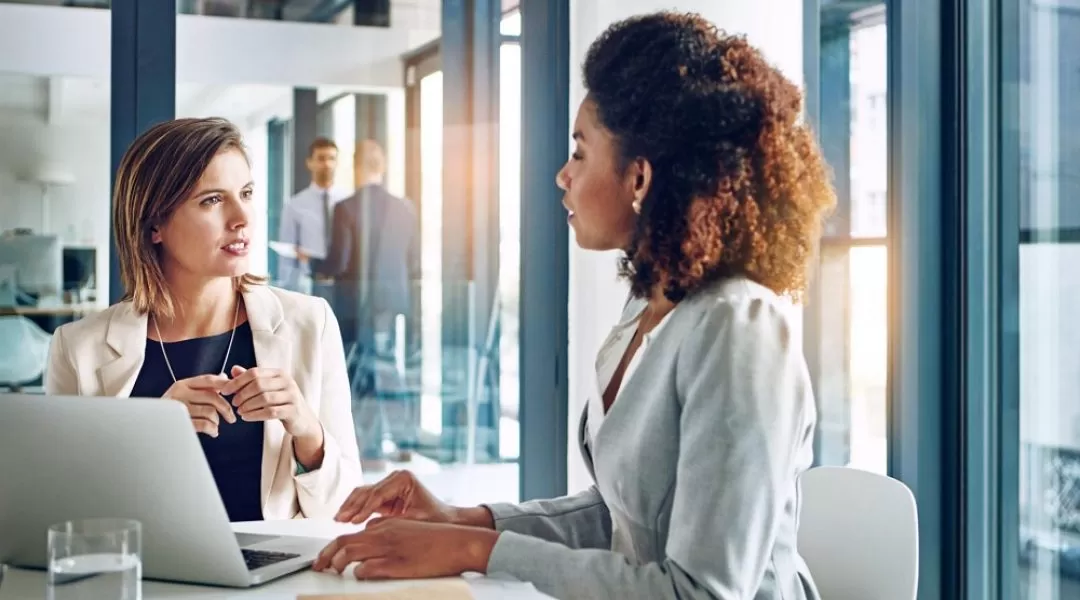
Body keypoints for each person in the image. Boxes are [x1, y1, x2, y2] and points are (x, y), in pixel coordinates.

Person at [312, 11, 836, 600]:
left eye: (580, 152)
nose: (562, 175)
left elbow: (702, 592)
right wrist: (466, 521)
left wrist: (476, 551)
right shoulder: (652, 307)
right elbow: (621, 516)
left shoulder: (741, 329)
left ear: (639, 179)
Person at [44, 117, 363, 522]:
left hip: (271, 581)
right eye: (212, 200)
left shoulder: (310, 324)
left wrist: (305, 428)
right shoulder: (77, 349)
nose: (241, 218)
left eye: (246, 193)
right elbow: (62, 515)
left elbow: (348, 511)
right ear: (154, 224)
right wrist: (150, 432)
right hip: (147, 579)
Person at [317, 139, 420, 467]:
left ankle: (369, 446)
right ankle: (405, 439)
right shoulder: (406, 208)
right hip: (393, 299)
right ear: (383, 166)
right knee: (388, 366)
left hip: (357, 303)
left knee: (360, 369)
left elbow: (339, 262)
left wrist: (312, 264)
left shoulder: (346, 208)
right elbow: (413, 262)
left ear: (357, 166)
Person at [277, 137, 351, 292]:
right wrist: (286, 289)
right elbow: (288, 253)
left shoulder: (348, 202)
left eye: (332, 158)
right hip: (309, 285)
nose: (327, 164)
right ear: (309, 163)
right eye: (321, 159)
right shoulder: (294, 205)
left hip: (344, 285)